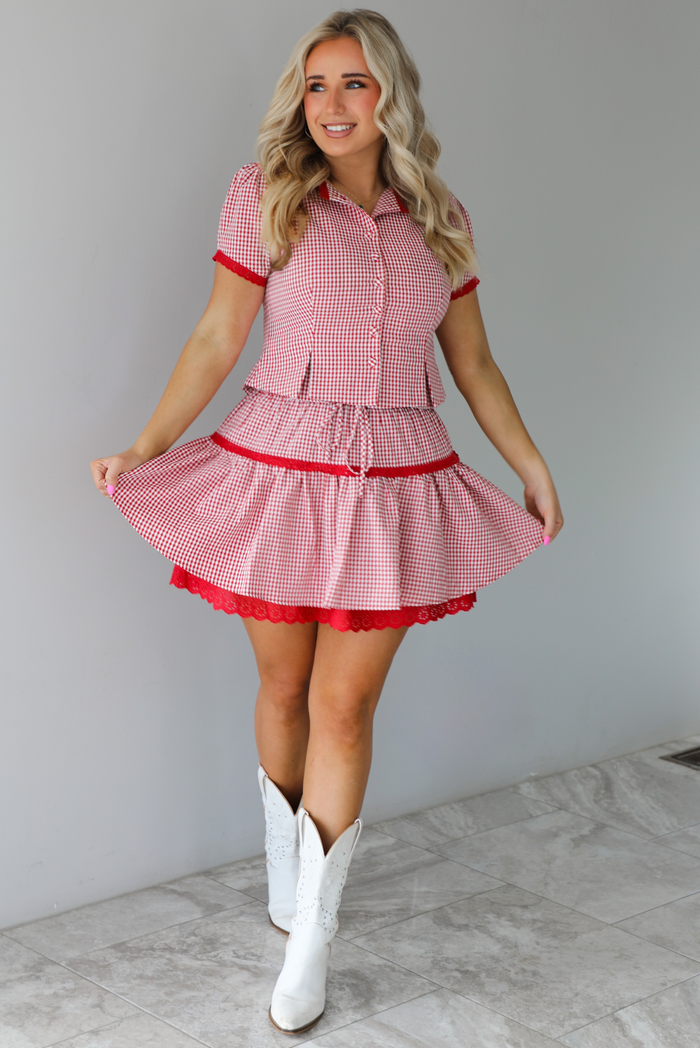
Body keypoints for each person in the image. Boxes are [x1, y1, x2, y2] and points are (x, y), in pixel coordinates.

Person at [90, 8, 563, 1035]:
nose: (334, 104)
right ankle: (283, 868)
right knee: (284, 682)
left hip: (396, 476)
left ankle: (312, 936)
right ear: (298, 101)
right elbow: (219, 335)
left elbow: (472, 363)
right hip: (279, 467)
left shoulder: (441, 214)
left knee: (346, 710)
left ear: (388, 93)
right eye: (317, 85)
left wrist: (527, 463)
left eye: (353, 83)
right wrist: (148, 444)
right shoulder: (264, 196)